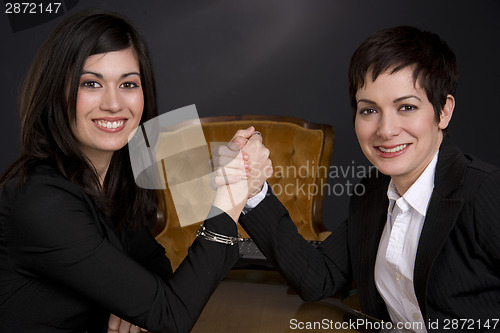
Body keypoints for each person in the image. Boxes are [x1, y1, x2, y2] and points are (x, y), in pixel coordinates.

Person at [0, 9, 267, 333]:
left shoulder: (109, 185)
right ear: (57, 92)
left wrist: (140, 306)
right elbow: (172, 314)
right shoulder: (43, 203)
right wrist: (232, 192)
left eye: (128, 83)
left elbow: (160, 279)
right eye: (91, 83)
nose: (114, 103)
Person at [226, 26, 500, 332]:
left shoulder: (484, 193)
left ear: (443, 111)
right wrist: (253, 190)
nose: (385, 130)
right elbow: (320, 277)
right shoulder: (372, 193)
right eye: (369, 110)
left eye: (406, 107)